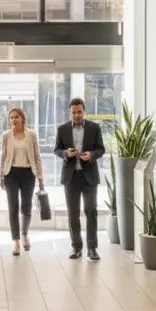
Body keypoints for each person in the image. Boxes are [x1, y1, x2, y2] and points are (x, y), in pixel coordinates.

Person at [55, 98, 105, 261]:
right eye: (74, 112)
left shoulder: (94, 127)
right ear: (70, 112)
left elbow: (101, 149)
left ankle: (92, 249)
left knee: (91, 212)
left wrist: (92, 155)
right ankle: (76, 247)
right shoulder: (62, 129)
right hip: (71, 177)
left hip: (89, 176)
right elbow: (56, 149)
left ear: (84, 111)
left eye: (79, 112)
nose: (77, 115)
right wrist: (64, 153)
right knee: (73, 214)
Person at [0, 108, 43, 256]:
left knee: (26, 207)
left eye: (16, 117)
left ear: (22, 118)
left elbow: (37, 157)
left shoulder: (31, 135)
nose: (13, 120)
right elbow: (3, 157)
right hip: (11, 174)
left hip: (28, 174)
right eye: (11, 118)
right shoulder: (6, 136)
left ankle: (24, 234)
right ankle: (16, 241)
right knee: (13, 208)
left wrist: (40, 178)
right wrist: (1, 176)